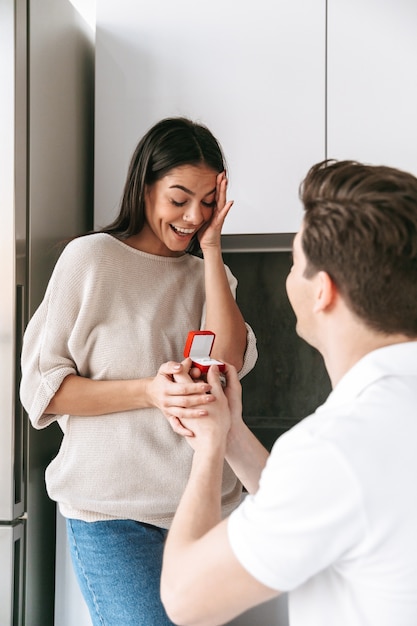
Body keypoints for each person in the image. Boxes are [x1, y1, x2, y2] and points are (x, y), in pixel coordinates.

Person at [19, 117, 258, 626]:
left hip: (207, 510)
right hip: (114, 514)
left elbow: (229, 360)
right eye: (179, 198)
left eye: (207, 201)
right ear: (144, 187)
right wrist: (149, 392)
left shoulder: (208, 276)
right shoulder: (90, 259)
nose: (194, 215)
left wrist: (212, 250)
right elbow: (45, 390)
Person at [160, 159, 417, 626]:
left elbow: (184, 597)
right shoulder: (364, 437)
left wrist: (210, 449)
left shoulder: (336, 447)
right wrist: (232, 433)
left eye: (294, 262)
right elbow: (322, 499)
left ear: (323, 290)